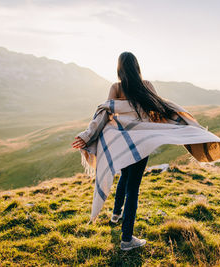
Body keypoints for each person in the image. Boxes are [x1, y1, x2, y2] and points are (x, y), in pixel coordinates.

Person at [72, 51, 177, 251]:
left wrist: (87, 135)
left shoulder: (116, 88)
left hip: (122, 141)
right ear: (137, 67)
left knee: (125, 177)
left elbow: (104, 113)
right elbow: (159, 108)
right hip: (141, 143)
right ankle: (127, 239)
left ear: (119, 68)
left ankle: (115, 215)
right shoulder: (147, 86)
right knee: (133, 188)